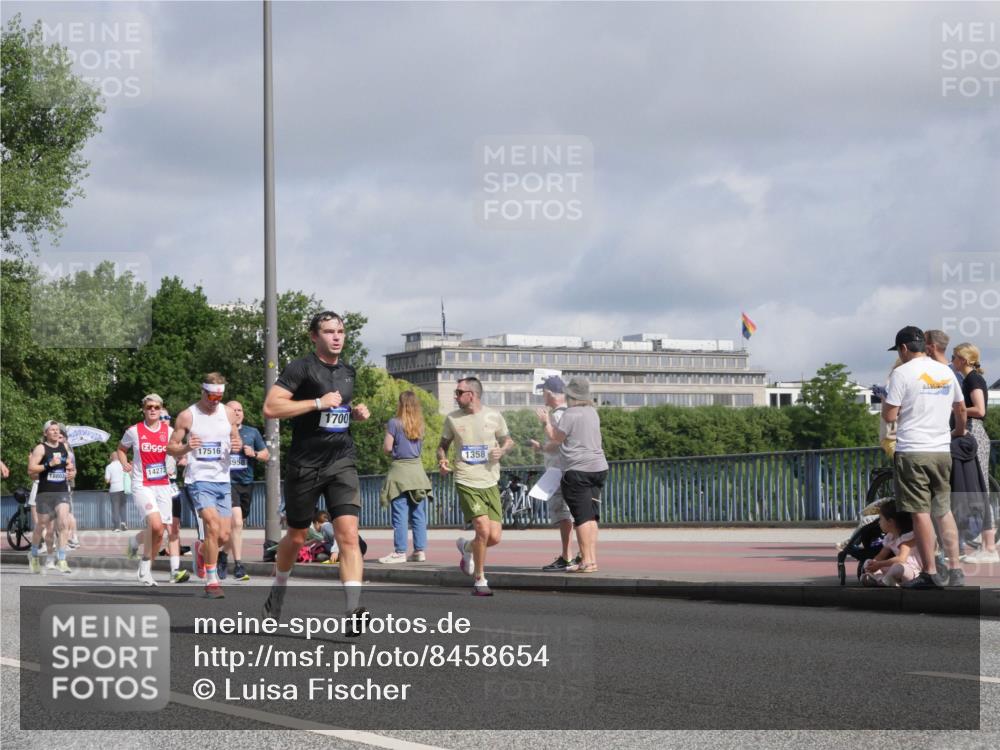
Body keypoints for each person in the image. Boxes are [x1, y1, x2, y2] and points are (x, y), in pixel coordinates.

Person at [260, 310, 371, 631]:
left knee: (348, 536)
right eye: (328, 331)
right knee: (295, 537)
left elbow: (339, 411)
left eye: (340, 331)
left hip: (341, 462)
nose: (336, 337)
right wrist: (316, 403)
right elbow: (271, 407)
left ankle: (352, 612)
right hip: (304, 465)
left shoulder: (349, 371)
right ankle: (278, 589)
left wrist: (354, 413)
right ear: (314, 336)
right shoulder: (301, 368)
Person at [882, 326, 967, 588]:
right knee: (943, 511)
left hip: (913, 451)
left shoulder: (901, 373)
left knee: (920, 512)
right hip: (941, 451)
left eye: (899, 349)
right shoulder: (945, 371)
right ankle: (956, 569)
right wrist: (957, 432)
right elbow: (961, 408)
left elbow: (889, 416)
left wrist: (888, 405)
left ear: (904, 348)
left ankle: (930, 572)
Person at [168, 373, 242, 598]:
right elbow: (171, 447)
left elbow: (235, 437)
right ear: (203, 391)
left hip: (223, 479)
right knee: (211, 525)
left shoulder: (227, 413)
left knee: (224, 536)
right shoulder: (187, 416)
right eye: (211, 396)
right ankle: (211, 581)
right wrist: (186, 448)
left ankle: (201, 549)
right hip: (198, 480)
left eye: (219, 397)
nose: (214, 401)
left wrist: (237, 443)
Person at [438, 376, 514, 596]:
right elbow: (442, 446)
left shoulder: (493, 415)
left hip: (490, 480)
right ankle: (480, 579)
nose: (455, 395)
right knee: (481, 528)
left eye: (459, 392)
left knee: (494, 537)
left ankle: (467, 548)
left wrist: (503, 450)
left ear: (472, 394)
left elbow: (508, 440)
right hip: (466, 479)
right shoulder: (452, 418)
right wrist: (442, 461)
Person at [542, 376, 607, 573]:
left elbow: (556, 437)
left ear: (571, 395)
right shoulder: (592, 412)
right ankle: (592, 559)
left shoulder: (571, 413)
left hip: (577, 470)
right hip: (599, 468)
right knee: (592, 516)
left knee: (581, 518)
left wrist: (545, 421)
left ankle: (586, 561)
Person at [118, 394, 177, 586]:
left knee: (161, 533)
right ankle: (142, 562)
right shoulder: (134, 431)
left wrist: (184, 455)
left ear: (161, 410)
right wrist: (124, 462)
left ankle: (145, 568)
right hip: (142, 484)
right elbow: (121, 449)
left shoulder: (169, 432)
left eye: (157, 407)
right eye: (149, 406)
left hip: (163, 485)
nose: (153, 410)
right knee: (156, 525)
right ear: (143, 409)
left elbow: (177, 451)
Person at [953, 342, 998, 563]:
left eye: (955, 357)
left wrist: (956, 408)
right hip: (971, 433)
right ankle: (986, 544)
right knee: (979, 489)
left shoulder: (972, 379)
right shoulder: (971, 379)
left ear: (963, 359)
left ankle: (989, 546)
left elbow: (980, 410)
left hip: (974, 434)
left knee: (980, 488)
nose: (952, 360)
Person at [530, 375, 580, 571]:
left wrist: (542, 445)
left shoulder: (558, 415)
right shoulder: (570, 412)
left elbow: (557, 441)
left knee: (563, 514)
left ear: (550, 393)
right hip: (571, 469)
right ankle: (579, 555)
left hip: (559, 471)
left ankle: (566, 556)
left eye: (543, 391)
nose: (542, 394)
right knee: (574, 514)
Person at [379, 391, 433, 564]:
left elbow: (387, 447)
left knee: (400, 513)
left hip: (400, 472)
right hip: (418, 472)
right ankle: (419, 551)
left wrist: (394, 448)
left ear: (400, 404)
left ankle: (400, 551)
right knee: (418, 513)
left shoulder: (394, 423)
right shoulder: (420, 424)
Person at [221, 400, 270, 581]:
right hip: (227, 483)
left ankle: (222, 555)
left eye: (240, 410)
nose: (237, 413)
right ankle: (239, 565)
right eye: (233, 410)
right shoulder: (220, 432)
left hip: (246, 483)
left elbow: (266, 455)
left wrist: (254, 454)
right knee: (237, 523)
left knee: (237, 526)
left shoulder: (252, 432)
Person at [27, 421, 76, 574]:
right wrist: (48, 464)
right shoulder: (41, 448)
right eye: (52, 430)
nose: (56, 432)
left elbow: (70, 466)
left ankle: (61, 559)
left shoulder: (64, 447)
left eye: (57, 430)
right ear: (45, 433)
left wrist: (72, 472)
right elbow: (31, 469)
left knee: (62, 523)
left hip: (61, 491)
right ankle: (33, 555)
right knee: (41, 525)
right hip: (45, 492)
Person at [860, 500, 922, 587]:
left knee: (898, 567)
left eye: (881, 519)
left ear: (890, 522)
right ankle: (883, 580)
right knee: (867, 562)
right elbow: (880, 556)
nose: (879, 522)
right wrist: (872, 564)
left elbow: (901, 559)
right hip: (896, 570)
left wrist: (879, 564)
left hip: (913, 572)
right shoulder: (890, 537)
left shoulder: (906, 538)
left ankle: (882, 580)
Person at [104, 451, 127, 532]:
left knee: (115, 508)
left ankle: (116, 527)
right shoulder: (122, 465)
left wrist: (110, 480)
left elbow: (107, 480)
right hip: (123, 488)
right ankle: (123, 523)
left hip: (114, 489)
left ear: (111, 457)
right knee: (123, 506)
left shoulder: (109, 467)